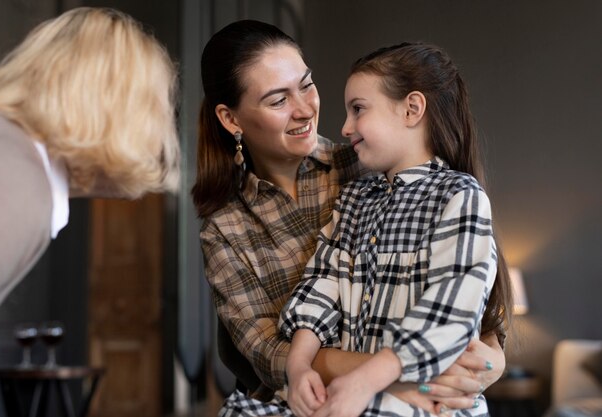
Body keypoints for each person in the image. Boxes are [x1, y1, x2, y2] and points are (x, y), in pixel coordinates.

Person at [191, 20, 506, 416]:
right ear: (231, 119)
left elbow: (472, 303)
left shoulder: (371, 162)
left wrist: (487, 364)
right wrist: (393, 380)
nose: (306, 109)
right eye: (277, 100)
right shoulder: (225, 227)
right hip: (314, 398)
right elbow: (271, 353)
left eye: (306, 84)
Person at [280, 42, 513, 417]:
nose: (344, 127)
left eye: (358, 109)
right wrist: (299, 366)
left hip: (430, 407)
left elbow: (449, 312)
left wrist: (363, 380)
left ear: (412, 109)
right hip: (357, 400)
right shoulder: (355, 199)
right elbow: (322, 284)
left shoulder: (460, 196)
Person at [0, 7, 180, 337]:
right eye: (154, 108)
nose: (160, 134)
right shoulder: (16, 181)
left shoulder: (6, 154)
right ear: (109, 106)